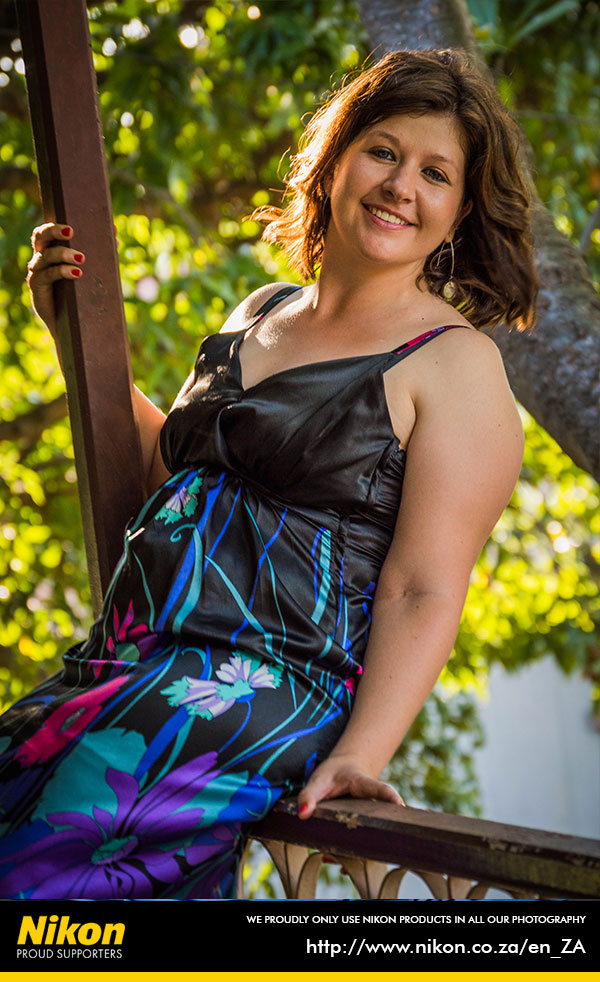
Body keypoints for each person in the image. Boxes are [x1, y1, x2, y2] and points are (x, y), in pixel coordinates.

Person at [0, 48, 536, 899]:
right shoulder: (261, 310)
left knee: (29, 868)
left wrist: (362, 754)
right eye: (383, 151)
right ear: (335, 161)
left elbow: (423, 588)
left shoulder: (456, 365)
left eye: (435, 173)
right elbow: (166, 477)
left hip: (257, 687)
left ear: (460, 211)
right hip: (122, 667)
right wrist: (68, 331)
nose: (401, 185)